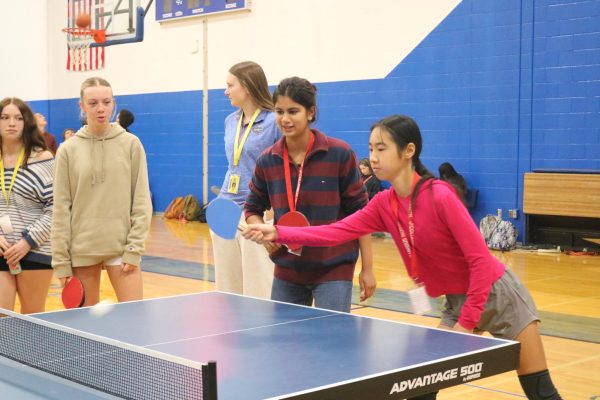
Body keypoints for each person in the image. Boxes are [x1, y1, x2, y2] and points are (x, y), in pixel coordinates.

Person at [244, 115, 562, 400]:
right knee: (422, 387)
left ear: (408, 151)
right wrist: (280, 233)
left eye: (381, 149)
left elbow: (480, 261)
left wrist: (466, 325)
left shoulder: (440, 196)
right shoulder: (384, 203)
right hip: (456, 299)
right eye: (370, 149)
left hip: (499, 295)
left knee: (540, 392)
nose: (373, 157)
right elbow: (337, 231)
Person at [244, 77, 376, 312]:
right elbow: (252, 208)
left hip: (334, 267)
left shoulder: (339, 154)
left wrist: (368, 268)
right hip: (287, 267)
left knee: (332, 341)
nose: (285, 119)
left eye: (293, 111)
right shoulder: (267, 160)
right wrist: (265, 237)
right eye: (279, 111)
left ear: (311, 112)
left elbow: (362, 214)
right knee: (284, 342)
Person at [51, 77, 152, 306]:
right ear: (82, 106)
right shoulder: (67, 150)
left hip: (122, 248)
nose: (100, 108)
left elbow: (141, 201)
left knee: (135, 321)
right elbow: (61, 209)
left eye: (106, 102)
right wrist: (61, 261)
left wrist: (134, 247)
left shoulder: (131, 144)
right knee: (85, 330)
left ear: (113, 103)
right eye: (93, 102)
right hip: (82, 249)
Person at [210, 61, 281, 299]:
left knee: (258, 282)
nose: (226, 91)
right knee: (227, 284)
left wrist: (274, 209)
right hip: (225, 206)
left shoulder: (274, 121)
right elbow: (234, 163)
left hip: (258, 209)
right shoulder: (230, 121)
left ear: (248, 87)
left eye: (230, 85)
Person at [0, 98, 54, 313]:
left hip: (35, 250)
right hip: (2, 250)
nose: (11, 123)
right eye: (4, 117)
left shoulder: (43, 158)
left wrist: (27, 242)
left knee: (32, 318)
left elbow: (56, 208)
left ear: (26, 123)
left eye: (18, 118)